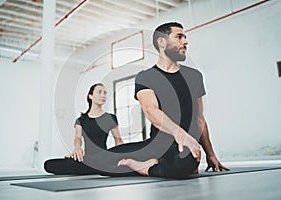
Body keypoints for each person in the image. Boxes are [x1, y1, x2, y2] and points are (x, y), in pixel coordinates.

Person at [110, 22, 229, 178]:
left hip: (184, 146)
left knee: (187, 162)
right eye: (179, 37)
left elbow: (199, 118)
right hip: (156, 145)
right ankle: (152, 163)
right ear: (162, 42)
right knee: (102, 160)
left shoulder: (194, 76)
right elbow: (151, 111)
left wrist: (210, 154)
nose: (185, 42)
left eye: (185, 37)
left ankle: (147, 167)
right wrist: (179, 133)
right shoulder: (145, 77)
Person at [44, 83, 124, 175]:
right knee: (48, 164)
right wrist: (77, 149)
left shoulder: (110, 118)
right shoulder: (81, 120)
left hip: (104, 158)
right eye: (99, 92)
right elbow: (77, 138)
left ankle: (98, 168)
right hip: (86, 158)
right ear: (90, 96)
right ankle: (96, 169)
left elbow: (118, 140)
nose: (103, 95)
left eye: (105, 93)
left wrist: (122, 156)